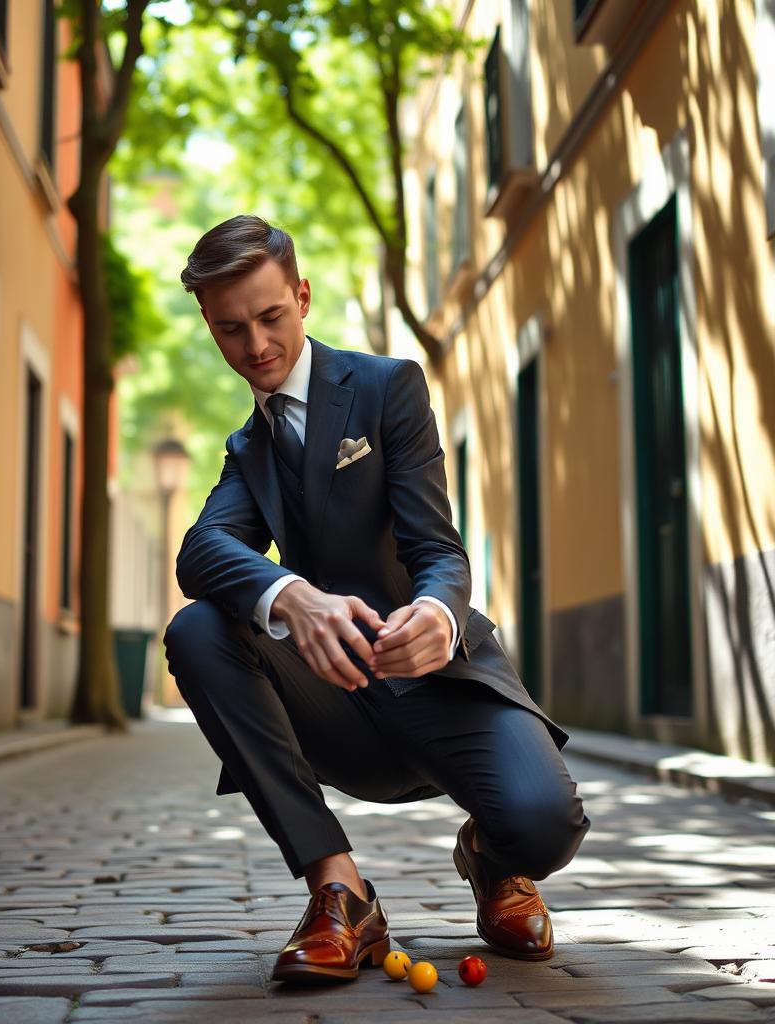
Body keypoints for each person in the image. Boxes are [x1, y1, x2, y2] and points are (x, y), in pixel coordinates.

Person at [162, 214, 590, 984]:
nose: (255, 346)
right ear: (209, 326)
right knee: (197, 631)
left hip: (442, 685)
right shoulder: (248, 451)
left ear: (302, 296)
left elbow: (438, 550)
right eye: (230, 330)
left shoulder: (388, 388)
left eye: (270, 317)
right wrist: (293, 597)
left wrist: (436, 613)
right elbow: (200, 553)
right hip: (338, 703)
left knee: (546, 824)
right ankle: (342, 894)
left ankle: (492, 862)